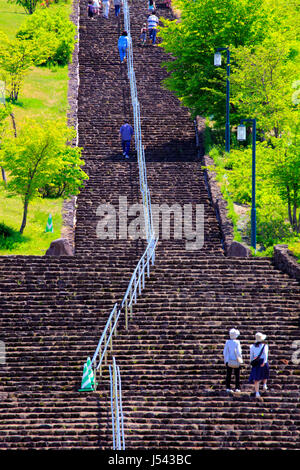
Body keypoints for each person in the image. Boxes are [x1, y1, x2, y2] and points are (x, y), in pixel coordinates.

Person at [249, 332, 269, 398]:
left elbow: (251, 356)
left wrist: (252, 363)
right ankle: (264, 384)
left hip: (256, 362)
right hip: (262, 360)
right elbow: (266, 354)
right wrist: (265, 362)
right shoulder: (264, 345)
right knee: (265, 374)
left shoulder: (252, 346)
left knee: (256, 379)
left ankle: (257, 392)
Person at [223, 328, 243, 393]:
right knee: (237, 375)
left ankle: (228, 387)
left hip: (229, 361)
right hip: (236, 360)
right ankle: (237, 387)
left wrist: (225, 360)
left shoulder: (227, 342)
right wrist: (240, 358)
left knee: (228, 374)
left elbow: (225, 352)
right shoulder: (237, 342)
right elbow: (239, 352)